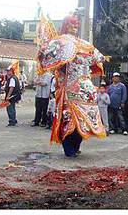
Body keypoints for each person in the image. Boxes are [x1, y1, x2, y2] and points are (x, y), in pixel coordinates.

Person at [37, 14, 107, 157]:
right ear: (66, 24)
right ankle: (70, 148)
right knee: (71, 120)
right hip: (73, 89)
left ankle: (73, 147)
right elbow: (98, 58)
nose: (75, 26)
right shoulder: (65, 43)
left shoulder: (79, 43)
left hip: (81, 89)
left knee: (81, 122)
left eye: (76, 23)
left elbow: (98, 58)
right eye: (72, 23)